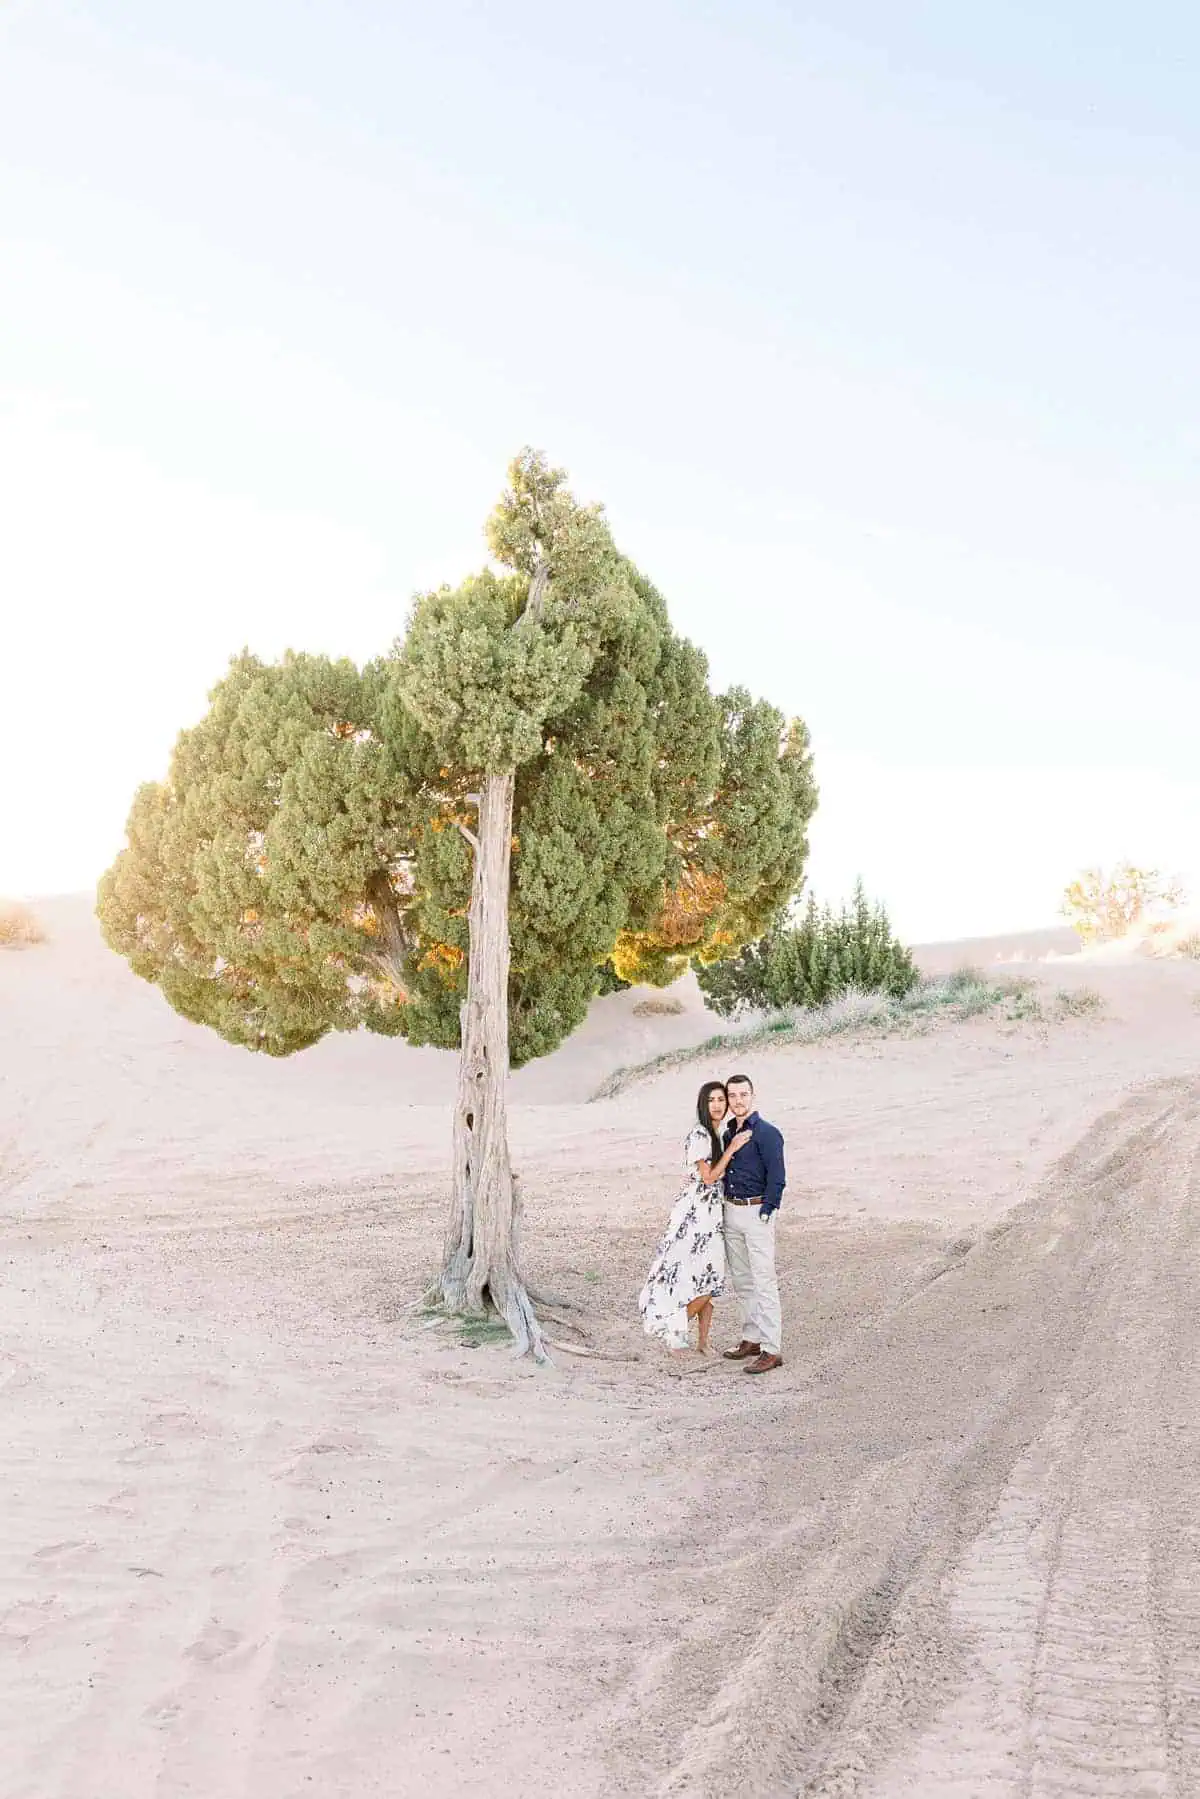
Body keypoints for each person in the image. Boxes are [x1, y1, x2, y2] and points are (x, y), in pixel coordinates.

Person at [639, 1081, 752, 1357]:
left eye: (721, 1100)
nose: (717, 1105)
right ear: (703, 1104)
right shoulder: (701, 1134)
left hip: (712, 1214)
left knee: (708, 1276)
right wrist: (732, 1149)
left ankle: (703, 1342)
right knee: (705, 1277)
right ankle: (674, 1329)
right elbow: (709, 1177)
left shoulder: (717, 1132)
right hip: (696, 1215)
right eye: (712, 1100)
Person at [720, 1074, 786, 1374]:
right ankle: (752, 1338)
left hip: (757, 1210)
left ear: (752, 1096)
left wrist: (768, 1209)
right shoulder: (727, 1135)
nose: (738, 1101)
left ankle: (772, 1349)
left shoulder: (767, 1133)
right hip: (732, 1211)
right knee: (743, 1279)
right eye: (732, 1095)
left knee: (764, 1280)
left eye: (743, 1094)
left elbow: (777, 1175)